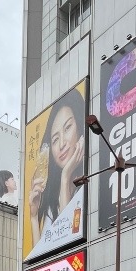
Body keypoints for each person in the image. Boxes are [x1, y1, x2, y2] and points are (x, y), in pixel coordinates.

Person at [28, 87, 85, 250]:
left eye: (68, 128)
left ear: (80, 127)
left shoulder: (87, 187)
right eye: (55, 139)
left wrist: (66, 176)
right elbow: (40, 255)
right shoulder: (51, 202)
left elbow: (68, 240)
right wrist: (33, 217)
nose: (62, 144)